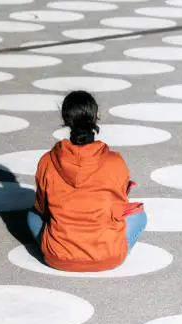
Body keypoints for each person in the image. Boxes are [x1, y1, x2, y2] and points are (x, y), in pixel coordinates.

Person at [27, 90, 147, 272]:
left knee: (32, 215)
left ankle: (58, 245)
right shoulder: (114, 162)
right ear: (96, 116)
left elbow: (42, 208)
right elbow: (119, 206)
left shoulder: (47, 161)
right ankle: (114, 249)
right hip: (107, 256)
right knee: (139, 216)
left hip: (57, 257)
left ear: (65, 119)